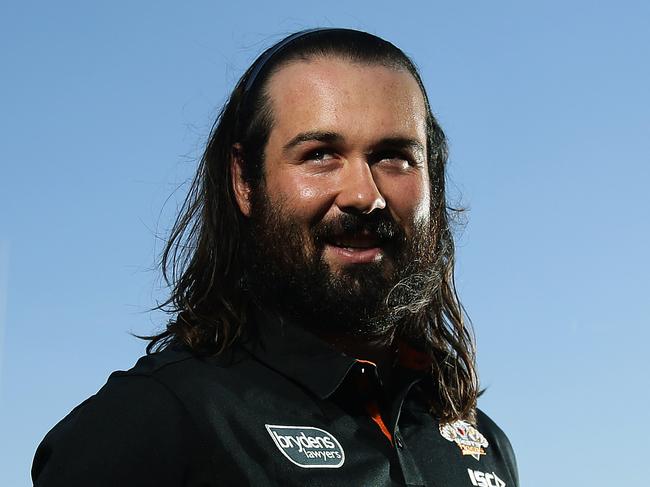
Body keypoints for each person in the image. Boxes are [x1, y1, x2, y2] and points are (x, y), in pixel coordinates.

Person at [32, 28, 519, 487]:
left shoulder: (480, 442)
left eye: (393, 156)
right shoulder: (156, 420)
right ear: (245, 181)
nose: (363, 194)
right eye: (320, 154)